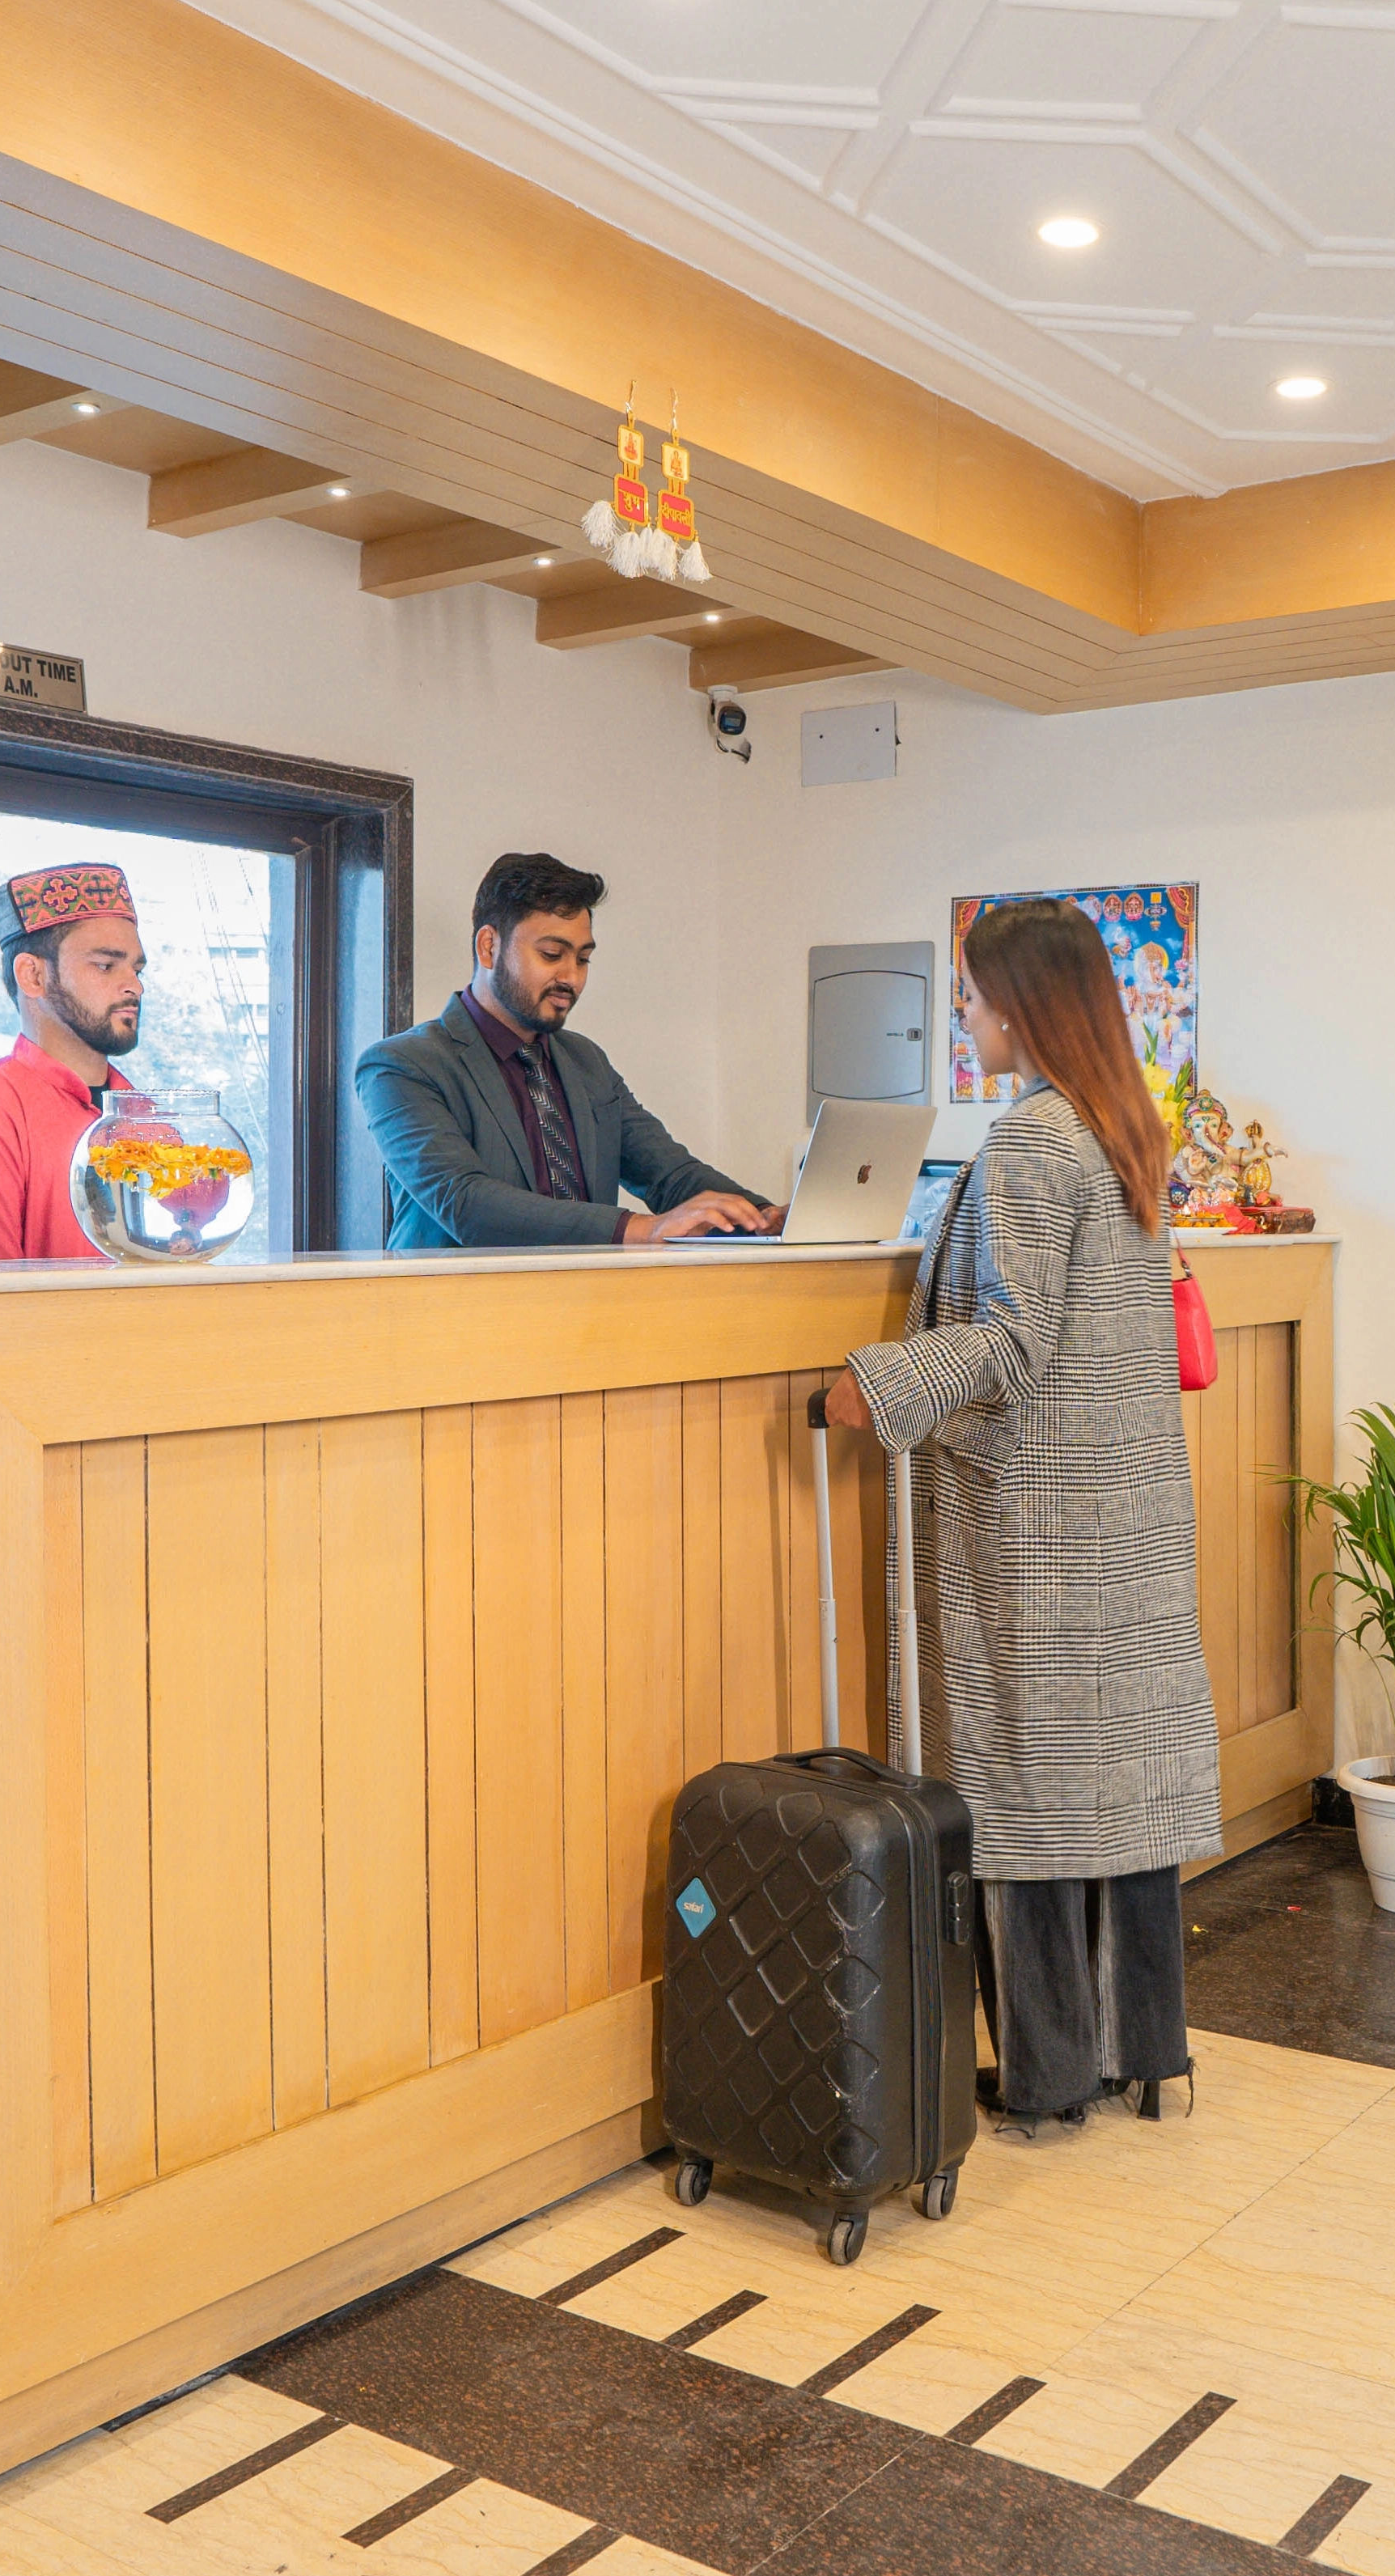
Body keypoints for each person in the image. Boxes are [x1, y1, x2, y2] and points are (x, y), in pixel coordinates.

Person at [822, 896, 1218, 2127]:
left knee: (1028, 1790)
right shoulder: (1119, 1129)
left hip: (1040, 1518)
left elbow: (1010, 1338)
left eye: (974, 996)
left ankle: (1048, 2073)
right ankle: (1137, 2049)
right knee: (1114, 1786)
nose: (965, 1015)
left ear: (1022, 1007)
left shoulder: (1034, 1141)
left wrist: (878, 1385)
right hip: (1116, 1509)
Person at [356, 850, 778, 1249]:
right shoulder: (401, 1066)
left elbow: (669, 1173)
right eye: (552, 954)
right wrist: (642, 1229)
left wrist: (766, 1218)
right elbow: (465, 1203)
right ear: (489, 947)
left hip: (587, 1298)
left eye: (583, 959)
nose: (571, 978)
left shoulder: (585, 1060)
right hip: (458, 1301)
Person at [0, 860, 142, 1262]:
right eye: (106, 966)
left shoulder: (141, 1113)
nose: (134, 986)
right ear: (33, 976)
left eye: (137, 969)